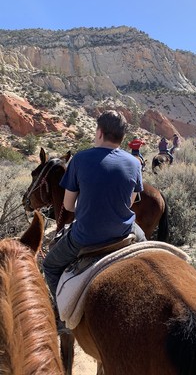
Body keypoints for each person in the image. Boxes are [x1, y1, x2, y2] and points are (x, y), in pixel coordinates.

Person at [42, 110, 146, 331]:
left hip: (85, 237)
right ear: (122, 137)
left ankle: (62, 319)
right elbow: (130, 202)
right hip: (124, 232)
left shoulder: (80, 159)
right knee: (147, 248)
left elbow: (68, 206)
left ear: (99, 132)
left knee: (49, 265)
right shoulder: (134, 163)